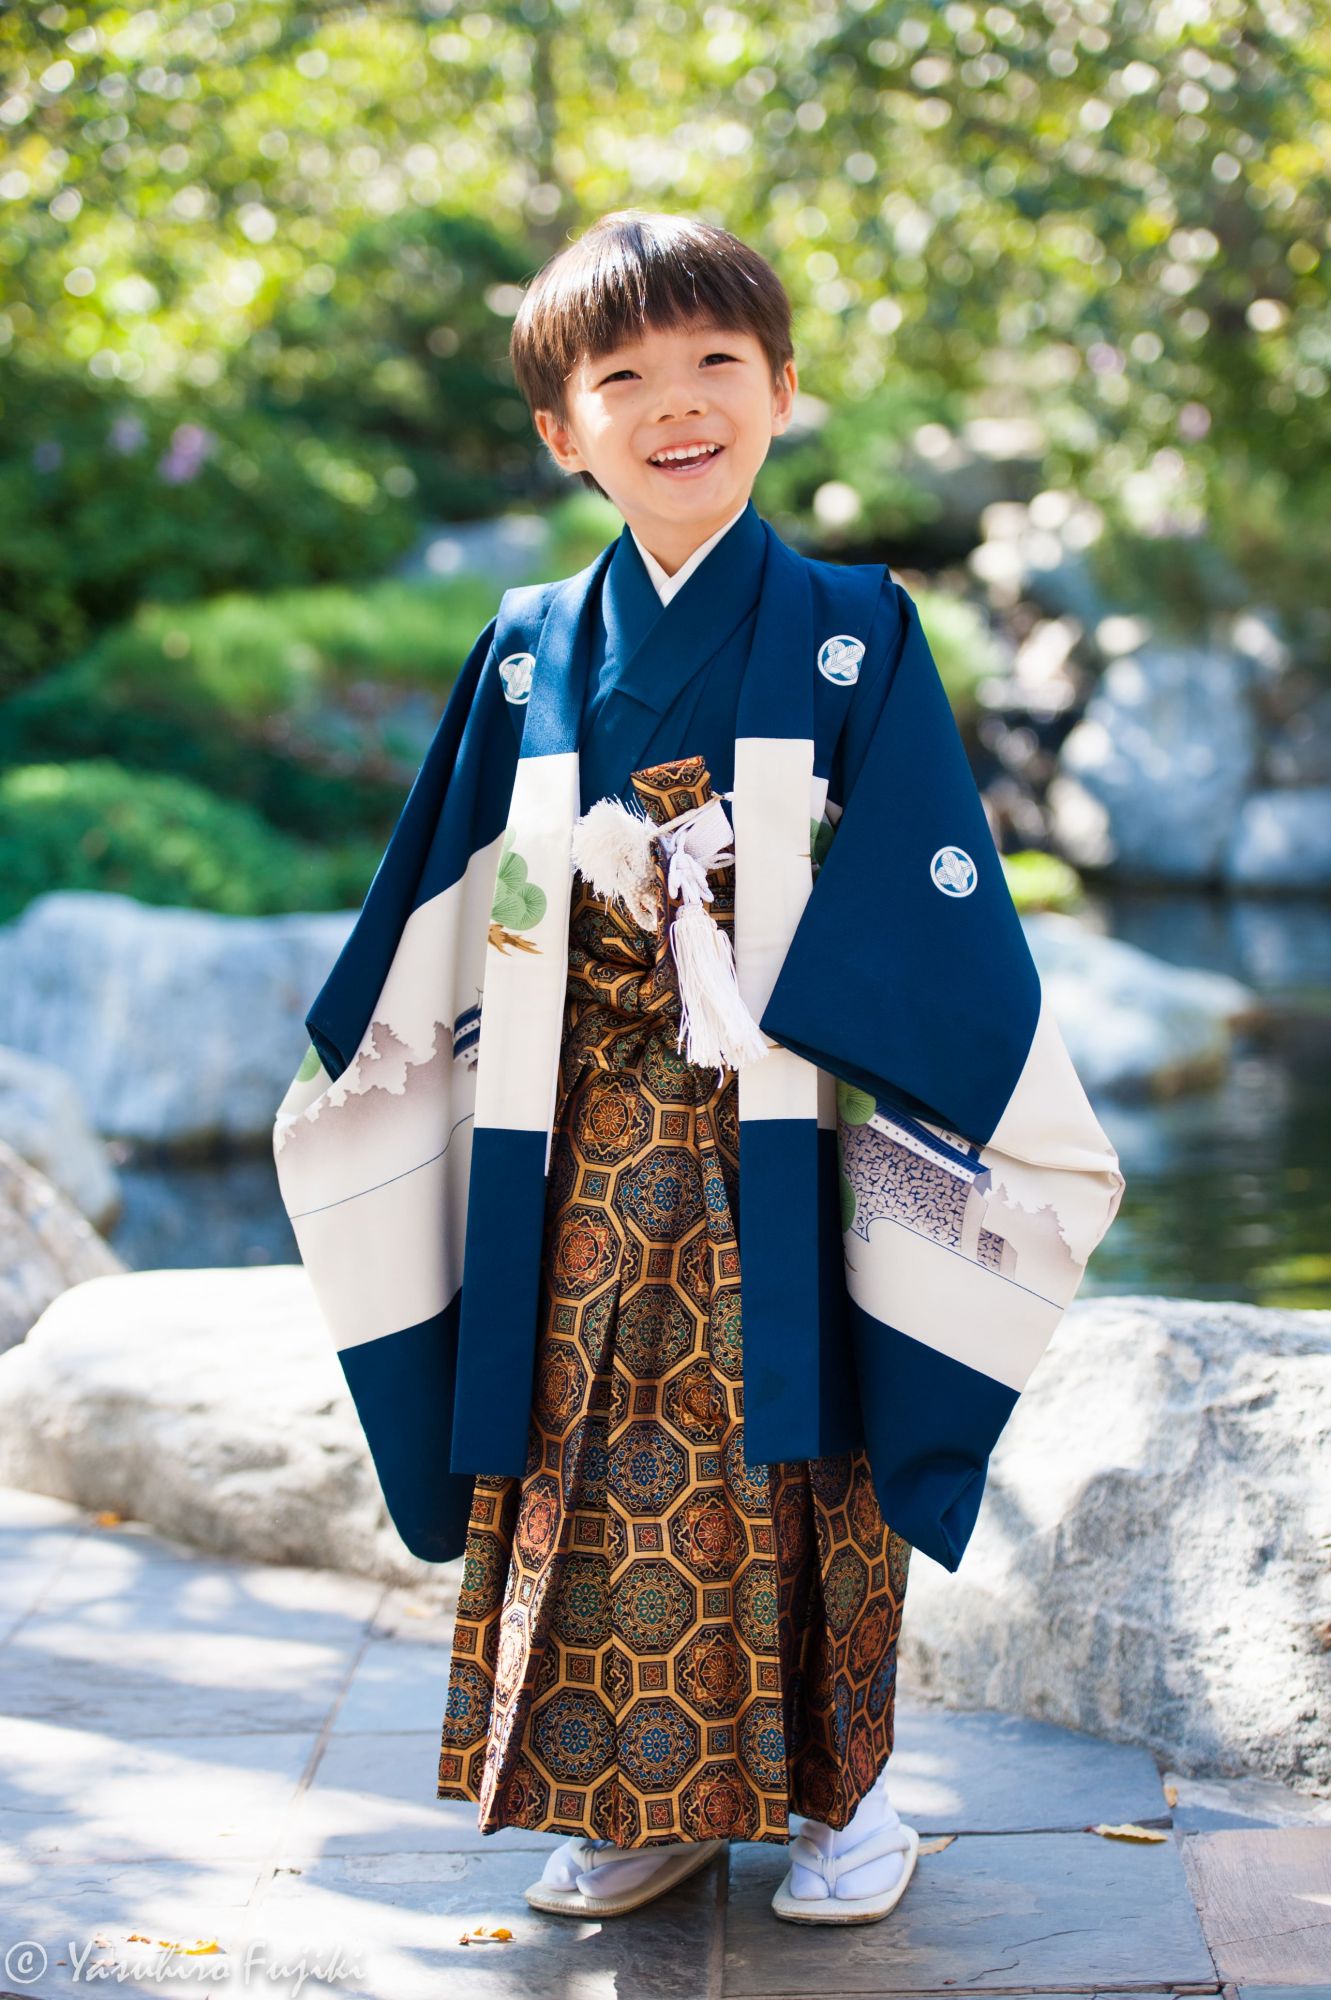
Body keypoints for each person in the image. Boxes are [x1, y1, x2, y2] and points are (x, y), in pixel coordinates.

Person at [271, 208, 1125, 1929]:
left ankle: (846, 1809)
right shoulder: (528, 646)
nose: (678, 405)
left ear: (784, 388)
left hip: (789, 1128)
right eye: (625, 375)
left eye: (716, 364)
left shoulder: (848, 629)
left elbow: (933, 899)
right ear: (559, 428)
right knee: (583, 1462)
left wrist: (755, 897)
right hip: (573, 1137)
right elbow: (456, 898)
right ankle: (636, 1801)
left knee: (814, 1461)